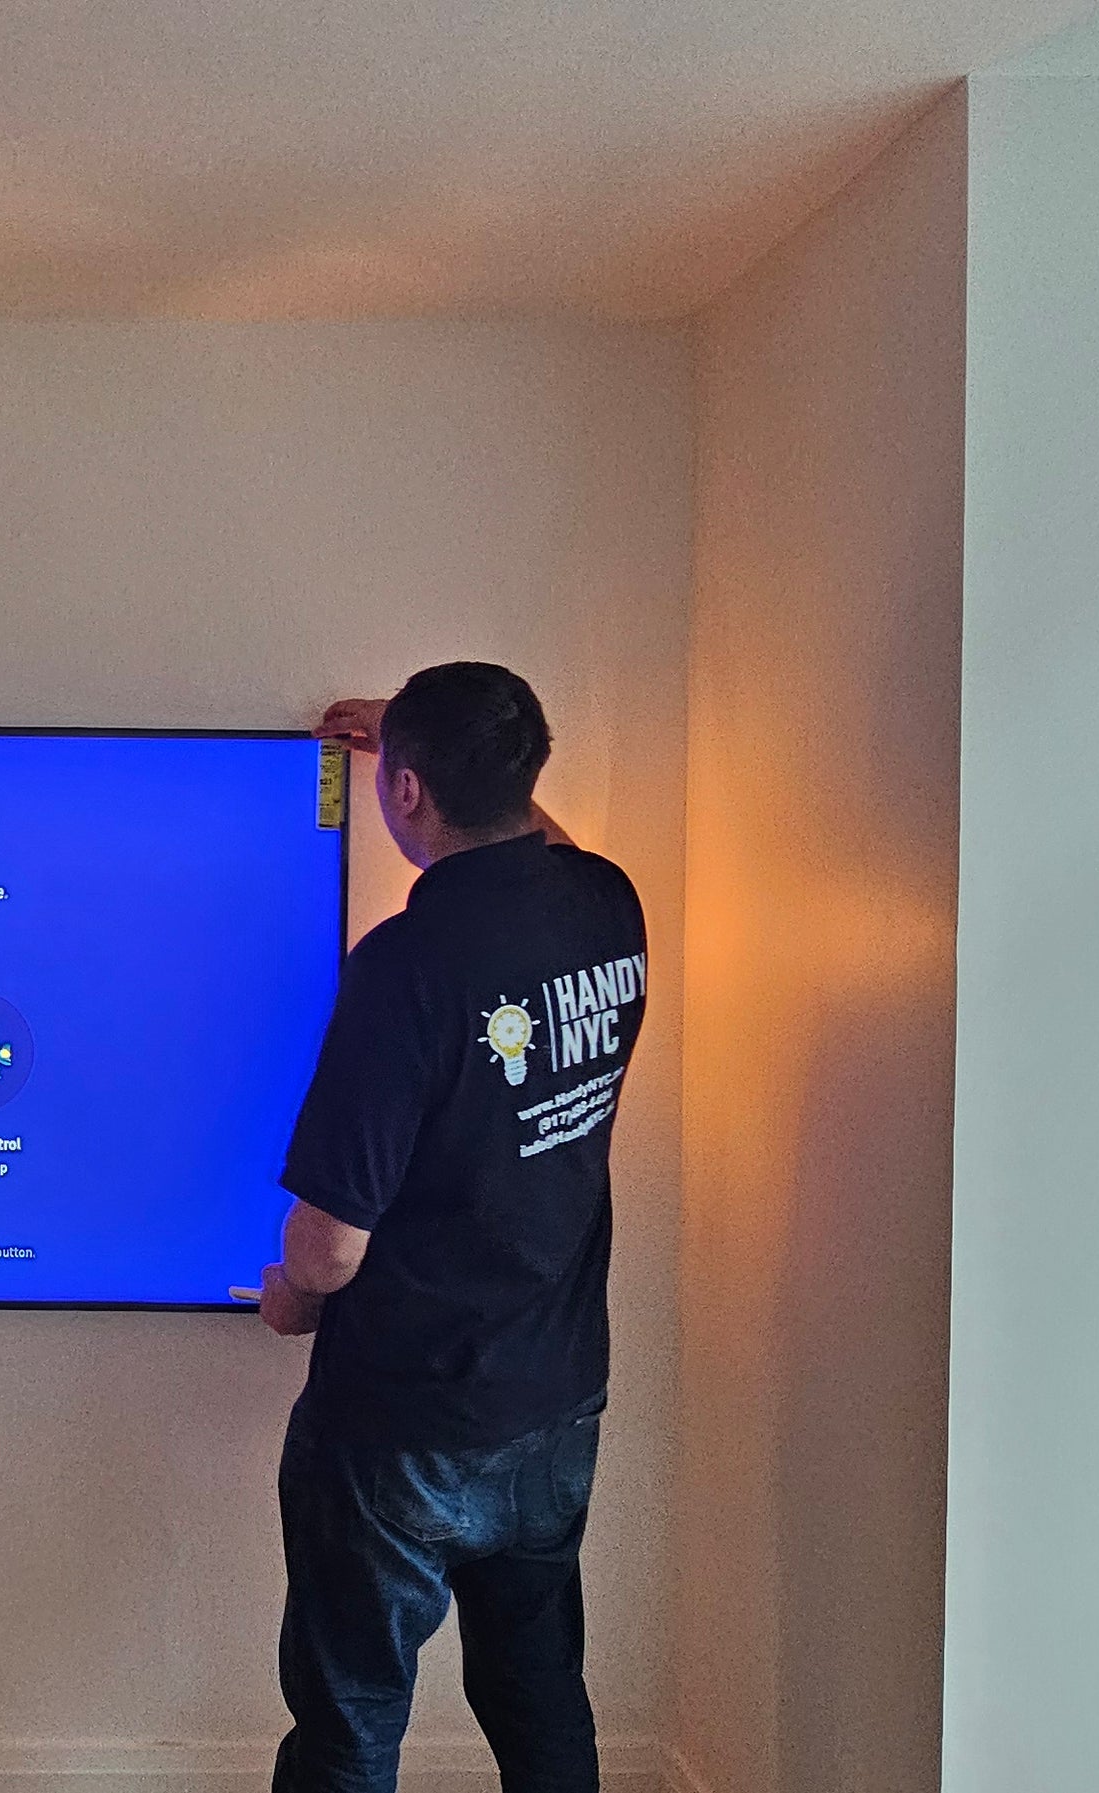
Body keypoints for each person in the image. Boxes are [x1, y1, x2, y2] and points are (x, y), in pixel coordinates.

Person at [259, 661, 649, 1793]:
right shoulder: (604, 901)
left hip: (404, 1420)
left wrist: (289, 1301)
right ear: (531, 775)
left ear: (407, 791)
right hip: (556, 1397)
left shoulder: (405, 968)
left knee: (351, 1717)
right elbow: (552, 850)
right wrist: (426, 747)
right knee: (538, 1701)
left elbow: (328, 1246)